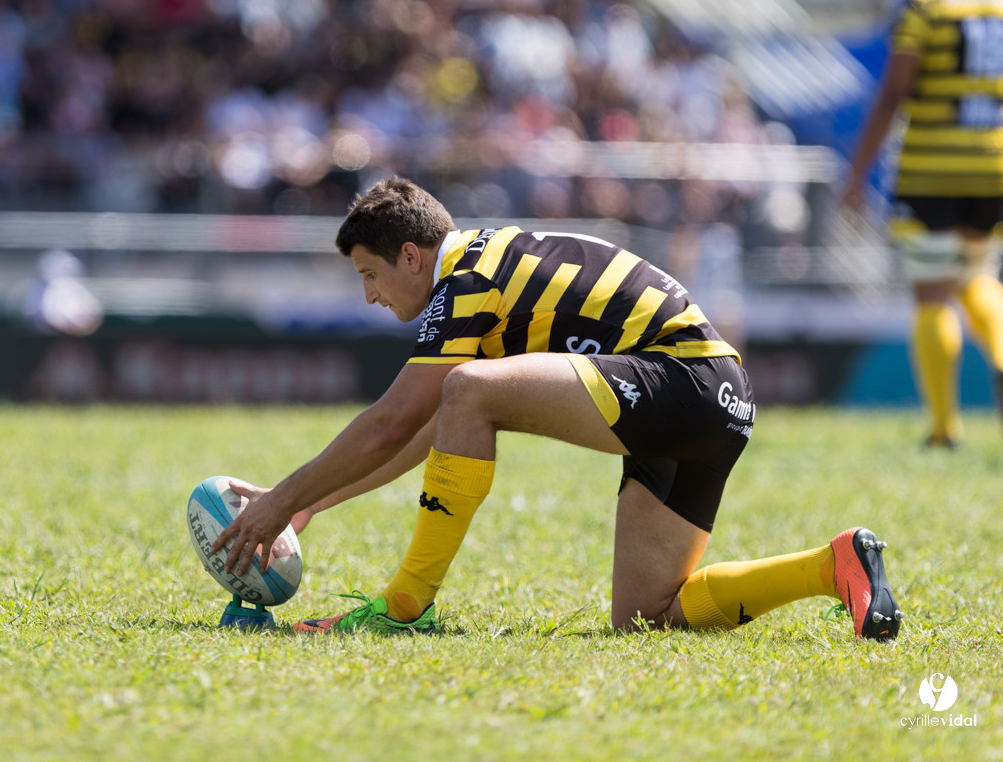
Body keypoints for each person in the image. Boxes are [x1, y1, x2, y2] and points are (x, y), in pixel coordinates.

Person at [213, 176, 902, 640]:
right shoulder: (484, 270)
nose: (369, 296)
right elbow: (424, 434)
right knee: (648, 617)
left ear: (413, 256)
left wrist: (277, 507)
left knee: (467, 389)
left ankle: (404, 606)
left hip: (681, 381)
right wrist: (305, 501)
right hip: (715, 403)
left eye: (370, 274)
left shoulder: (467, 278)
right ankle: (832, 564)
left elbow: (397, 419)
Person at [842, 0, 1003, 448]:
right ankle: (1000, 358)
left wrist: (857, 172)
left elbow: (895, 89)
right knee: (975, 275)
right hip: (993, 164)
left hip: (932, 168)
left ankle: (942, 428)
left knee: (933, 294)